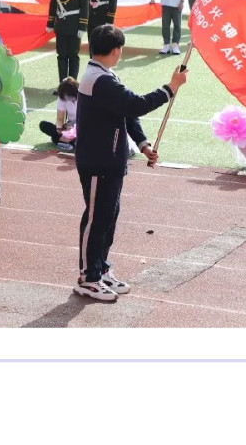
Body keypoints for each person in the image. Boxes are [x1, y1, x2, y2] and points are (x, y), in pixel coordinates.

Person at [72, 34, 186, 300]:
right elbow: (136, 105)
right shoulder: (98, 79)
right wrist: (171, 87)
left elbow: (126, 113)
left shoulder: (105, 76)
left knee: (107, 218)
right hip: (99, 161)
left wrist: (143, 144)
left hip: (111, 161)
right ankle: (88, 277)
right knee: (96, 219)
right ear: (116, 50)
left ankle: (100, 269)